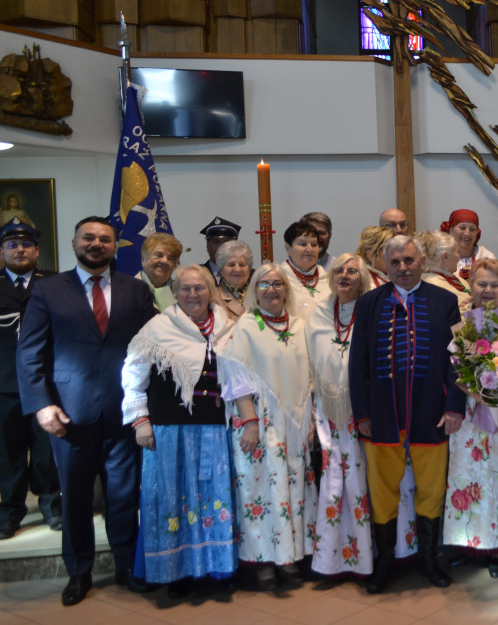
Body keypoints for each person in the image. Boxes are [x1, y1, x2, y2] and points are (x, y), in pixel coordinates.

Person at [18, 216, 157, 605]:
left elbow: (155, 344)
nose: (96, 244)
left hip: (124, 414)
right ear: (75, 243)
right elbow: (30, 353)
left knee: (124, 497)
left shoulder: (136, 290)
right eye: (89, 238)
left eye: (105, 239)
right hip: (68, 415)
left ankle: (128, 566)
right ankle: (78, 572)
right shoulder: (48, 290)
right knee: (76, 498)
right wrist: (41, 405)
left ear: (115, 246)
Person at [349, 235, 465, 592]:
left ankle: (429, 559)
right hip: (382, 415)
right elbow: (358, 364)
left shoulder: (445, 300)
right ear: (385, 263)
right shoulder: (368, 303)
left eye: (409, 260)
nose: (402, 268)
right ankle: (386, 561)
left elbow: (459, 359)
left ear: (422, 261)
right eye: (395, 261)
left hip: (431, 414)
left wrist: (454, 406)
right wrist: (362, 413)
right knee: (382, 491)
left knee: (431, 490)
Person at [120, 264, 238, 598]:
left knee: (214, 498)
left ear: (211, 290)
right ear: (175, 293)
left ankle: (218, 567)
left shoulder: (230, 327)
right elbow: (132, 377)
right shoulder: (157, 328)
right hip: (169, 431)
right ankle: (175, 572)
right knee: (171, 501)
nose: (192, 294)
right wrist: (140, 421)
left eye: (199, 288)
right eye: (185, 288)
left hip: (216, 430)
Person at [217, 263, 316, 590]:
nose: (272, 290)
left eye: (278, 284)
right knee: (260, 491)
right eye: (264, 284)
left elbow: (310, 377)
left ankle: (290, 557)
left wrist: (310, 418)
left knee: (293, 491)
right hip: (258, 423)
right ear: (254, 291)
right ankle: (262, 562)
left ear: (286, 290)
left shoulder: (301, 325)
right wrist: (250, 422)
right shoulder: (246, 325)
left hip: (294, 424)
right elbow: (235, 377)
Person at [443, 259, 498, 577]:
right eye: (482, 284)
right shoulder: (461, 320)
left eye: (495, 284)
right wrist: (472, 386)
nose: (488, 290)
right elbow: (451, 365)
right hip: (470, 413)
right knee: (471, 477)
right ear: (471, 286)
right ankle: (472, 544)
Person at [305, 254, 374, 579]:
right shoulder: (317, 313)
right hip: (328, 413)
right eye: (339, 271)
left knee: (364, 483)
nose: (344, 276)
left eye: (352, 271)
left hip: (365, 413)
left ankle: (368, 557)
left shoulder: (373, 309)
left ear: (363, 278)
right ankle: (331, 559)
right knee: (333, 483)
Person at [0, 218, 60, 540]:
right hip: (3, 385)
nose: (19, 249)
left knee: (46, 449)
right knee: (7, 452)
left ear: (37, 250)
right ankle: (9, 510)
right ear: (1, 251)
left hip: (44, 383)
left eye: (25, 244)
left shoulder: (55, 285)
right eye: (12, 244)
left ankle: (52, 503)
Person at [280, 220, 329, 319]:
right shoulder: (277, 279)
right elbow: (258, 314)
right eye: (303, 244)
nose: (310, 249)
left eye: (314, 245)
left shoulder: (329, 280)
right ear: (288, 248)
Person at [420, 230, 471, 306]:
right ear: (445, 257)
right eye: (456, 251)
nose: (459, 256)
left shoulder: (449, 276)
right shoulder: (434, 287)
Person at [441, 209, 495, 279]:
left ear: (477, 233)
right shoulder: (442, 257)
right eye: (462, 228)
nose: (467, 233)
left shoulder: (488, 257)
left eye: (472, 229)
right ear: (451, 231)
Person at [138, 233, 182, 311]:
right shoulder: (128, 290)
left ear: (174, 265)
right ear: (143, 260)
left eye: (170, 258)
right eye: (159, 255)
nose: (165, 261)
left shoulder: (182, 292)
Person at [215, 240, 254, 321]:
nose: (237, 269)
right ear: (221, 270)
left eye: (242, 265)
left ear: (249, 269)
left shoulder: (259, 293)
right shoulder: (214, 297)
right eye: (231, 265)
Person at [200, 217, 241, 285]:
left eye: (226, 242)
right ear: (207, 245)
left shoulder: (248, 275)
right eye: (216, 242)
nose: (221, 247)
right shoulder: (196, 274)